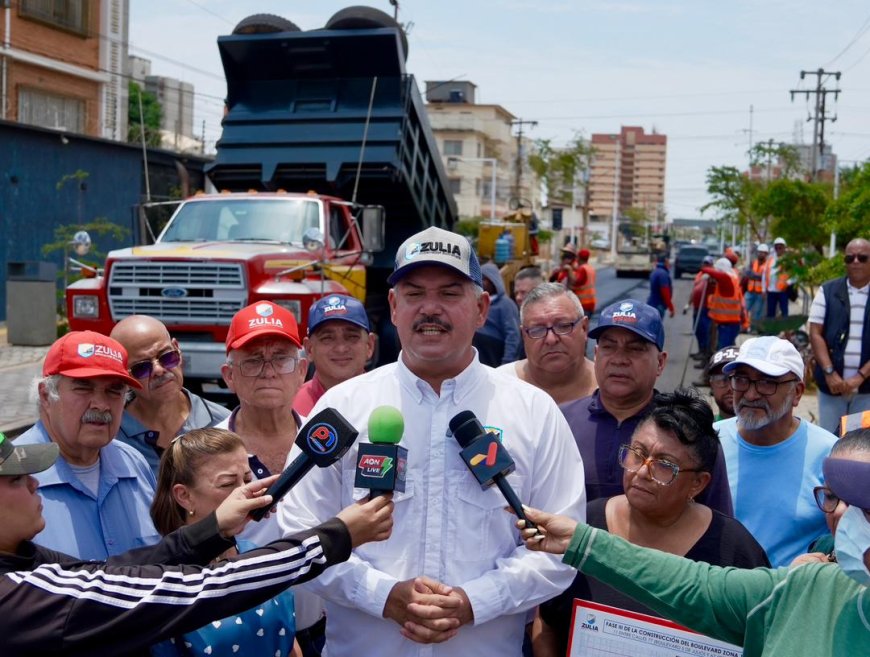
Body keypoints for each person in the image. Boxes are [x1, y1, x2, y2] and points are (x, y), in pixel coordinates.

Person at [278, 226, 587, 657]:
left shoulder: (533, 412)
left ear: (481, 308)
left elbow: (559, 549)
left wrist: (475, 602)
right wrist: (382, 595)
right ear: (393, 306)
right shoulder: (344, 406)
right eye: (414, 293)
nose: (430, 309)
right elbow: (298, 533)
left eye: (449, 293)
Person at [0, 430, 394, 657]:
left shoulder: (25, 563)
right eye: (16, 479)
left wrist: (215, 528)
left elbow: (121, 571)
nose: (36, 483)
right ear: (182, 494)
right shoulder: (18, 596)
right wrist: (334, 536)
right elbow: (196, 588)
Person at [516, 446, 870, 657]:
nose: (842, 516)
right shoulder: (806, 586)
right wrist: (583, 542)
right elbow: (694, 585)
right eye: (839, 500)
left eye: (865, 509)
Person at [534, 390, 769, 657]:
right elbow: (546, 623)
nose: (643, 472)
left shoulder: (733, 549)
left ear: (698, 483)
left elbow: (764, 637)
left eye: (665, 465)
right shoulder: (582, 527)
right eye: (638, 453)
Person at [217, 300, 326, 655]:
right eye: (252, 360)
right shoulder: (200, 454)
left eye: (281, 358)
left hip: (326, 628)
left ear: (302, 370)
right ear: (228, 375)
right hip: (240, 634)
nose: (268, 371)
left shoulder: (330, 445)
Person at [560, 299, 733, 515]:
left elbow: (717, 525)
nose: (619, 359)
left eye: (635, 349)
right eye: (608, 347)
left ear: (660, 362)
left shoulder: (690, 433)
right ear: (595, 355)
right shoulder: (560, 421)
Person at [149, 428, 302, 657]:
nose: (245, 492)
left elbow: (290, 646)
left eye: (248, 479)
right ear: (184, 495)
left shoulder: (258, 557)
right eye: (227, 483)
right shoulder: (165, 583)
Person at [15, 331, 161, 559]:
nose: (101, 405)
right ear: (46, 395)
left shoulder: (134, 465)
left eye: (114, 390)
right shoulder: (12, 474)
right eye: (83, 387)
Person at [714, 336, 838, 567]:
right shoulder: (709, 442)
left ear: (797, 393)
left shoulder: (830, 455)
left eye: (767, 382)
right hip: (716, 594)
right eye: (741, 380)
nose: (751, 394)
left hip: (792, 596)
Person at [110, 315, 230, 476]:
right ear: (123, 375)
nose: (159, 370)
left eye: (167, 357)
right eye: (142, 368)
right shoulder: (109, 435)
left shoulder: (223, 424)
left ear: (177, 348)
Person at [809, 237, 870, 436]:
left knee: (858, 444)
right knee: (829, 439)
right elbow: (815, 333)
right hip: (831, 388)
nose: (855, 262)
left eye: (862, 258)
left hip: (866, 389)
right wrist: (829, 373)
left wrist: (859, 377)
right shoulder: (828, 291)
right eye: (850, 258)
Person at [497, 283, 596, 404]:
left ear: (584, 328)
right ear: (523, 335)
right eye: (537, 330)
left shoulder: (610, 388)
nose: (551, 339)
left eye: (563, 326)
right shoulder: (497, 387)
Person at [792, 428, 870, 565]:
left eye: (857, 497)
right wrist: (800, 581)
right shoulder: (824, 550)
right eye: (831, 496)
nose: (839, 511)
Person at [293, 294, 376, 416]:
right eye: (327, 338)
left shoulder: (392, 401)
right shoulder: (290, 410)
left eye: (351, 337)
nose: (341, 349)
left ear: (369, 345)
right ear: (309, 349)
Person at [474, 262, 521, 366]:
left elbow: (512, 335)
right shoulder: (476, 302)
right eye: (480, 279)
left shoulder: (506, 304)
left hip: (493, 351)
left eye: (485, 279)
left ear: (493, 280)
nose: (481, 282)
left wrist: (507, 363)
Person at [703, 257, 747, 349]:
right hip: (731, 322)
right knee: (727, 348)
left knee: (724, 350)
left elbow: (707, 270)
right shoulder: (733, 277)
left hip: (727, 323)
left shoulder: (726, 279)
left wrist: (705, 270)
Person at [706, 345, 739, 420]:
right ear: (711, 385)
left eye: (738, 380)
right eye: (721, 379)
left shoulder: (767, 431)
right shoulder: (703, 430)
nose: (730, 388)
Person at [763, 236, 790, 318]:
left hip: (783, 290)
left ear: (784, 248)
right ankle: (771, 330)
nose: (778, 249)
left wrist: (788, 283)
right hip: (771, 290)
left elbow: (795, 275)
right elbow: (765, 274)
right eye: (777, 247)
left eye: (780, 247)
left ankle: (786, 329)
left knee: (784, 311)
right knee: (770, 312)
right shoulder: (770, 260)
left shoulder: (788, 260)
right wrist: (764, 289)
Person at [744, 243, 769, 324]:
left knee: (757, 312)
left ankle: (754, 328)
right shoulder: (753, 262)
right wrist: (758, 276)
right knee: (745, 309)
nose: (760, 254)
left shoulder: (768, 265)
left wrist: (755, 275)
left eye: (762, 252)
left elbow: (765, 277)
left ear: (766, 254)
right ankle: (744, 326)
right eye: (759, 252)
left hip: (760, 292)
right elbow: (748, 273)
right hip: (750, 290)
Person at [573, 248, 596, 315]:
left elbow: (576, 282)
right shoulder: (590, 268)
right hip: (591, 301)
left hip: (583, 303)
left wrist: (569, 271)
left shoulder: (582, 269)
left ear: (579, 258)